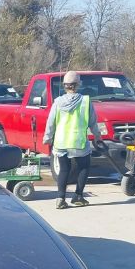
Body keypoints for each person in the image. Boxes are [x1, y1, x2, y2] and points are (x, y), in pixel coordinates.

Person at [42, 71, 104, 209]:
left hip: (61, 143)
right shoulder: (85, 101)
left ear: (64, 85)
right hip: (78, 143)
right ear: (78, 84)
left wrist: (47, 137)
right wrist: (98, 136)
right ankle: (78, 196)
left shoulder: (57, 102)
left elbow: (51, 122)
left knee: (64, 170)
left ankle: (60, 199)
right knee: (84, 167)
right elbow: (93, 122)